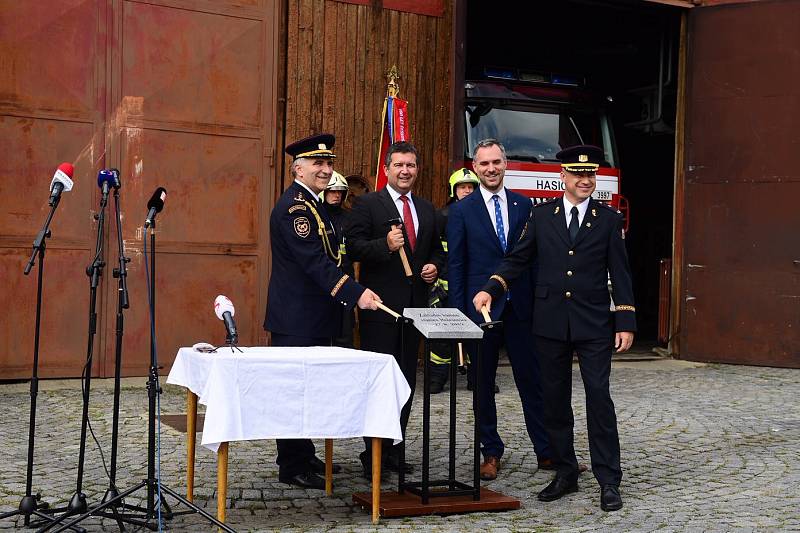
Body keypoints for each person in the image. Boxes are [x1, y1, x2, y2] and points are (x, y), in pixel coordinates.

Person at [472, 144, 635, 511]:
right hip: (549, 321)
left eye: (589, 175)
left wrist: (624, 319)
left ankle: (608, 479)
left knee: (598, 397)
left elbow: (620, 274)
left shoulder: (608, 219)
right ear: (563, 177)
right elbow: (518, 258)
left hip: (593, 322)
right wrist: (490, 288)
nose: (585, 181)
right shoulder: (542, 215)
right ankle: (565, 471)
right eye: (578, 175)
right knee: (555, 401)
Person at [264, 133, 382, 490]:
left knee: (310, 389)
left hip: (317, 316)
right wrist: (356, 293)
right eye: (318, 163)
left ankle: (305, 452)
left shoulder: (317, 205)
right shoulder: (295, 209)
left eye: (329, 163)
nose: (325, 170)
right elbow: (316, 263)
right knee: (293, 391)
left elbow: (338, 255)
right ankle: (292, 463)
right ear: (297, 168)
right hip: (296, 318)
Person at [447, 139, 551, 481]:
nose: (491, 168)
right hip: (481, 311)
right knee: (482, 384)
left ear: (505, 164)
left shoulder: (525, 205)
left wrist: (539, 303)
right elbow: (456, 264)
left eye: (496, 162)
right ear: (475, 168)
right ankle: (490, 452)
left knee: (532, 381)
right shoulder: (462, 210)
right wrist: (460, 314)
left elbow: (533, 260)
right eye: (484, 164)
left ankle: (547, 451)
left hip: (521, 307)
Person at [345, 141, 445, 477]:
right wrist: (385, 245)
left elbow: (437, 251)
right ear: (387, 168)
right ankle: (372, 451)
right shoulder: (368, 205)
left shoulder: (427, 209)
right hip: (380, 310)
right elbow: (354, 248)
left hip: (414, 310)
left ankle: (394, 449)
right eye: (399, 165)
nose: (406, 171)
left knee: (405, 381)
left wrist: (433, 266)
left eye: (411, 165)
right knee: (379, 382)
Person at [428, 168, 480, 394]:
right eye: (462, 187)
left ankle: (476, 377)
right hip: (446, 285)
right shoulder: (442, 216)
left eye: (471, 187)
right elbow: (435, 250)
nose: (467, 191)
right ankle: (438, 378)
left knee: (475, 332)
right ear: (453, 190)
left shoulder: (482, 215)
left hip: (474, 286)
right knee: (442, 334)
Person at [321, 171, 355, 348]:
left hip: (346, 277)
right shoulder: (317, 215)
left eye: (340, 191)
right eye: (332, 191)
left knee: (345, 329)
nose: (336, 195)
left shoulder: (349, 218)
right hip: (324, 277)